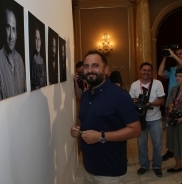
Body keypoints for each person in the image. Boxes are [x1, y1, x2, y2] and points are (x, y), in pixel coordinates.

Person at [70, 50, 141, 183]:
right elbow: (82, 119)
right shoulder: (85, 96)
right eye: (86, 66)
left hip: (110, 172)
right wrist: (76, 127)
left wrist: (101, 136)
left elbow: (135, 129)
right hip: (88, 168)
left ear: (106, 69)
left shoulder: (119, 95)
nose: (90, 70)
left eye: (95, 66)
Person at [130, 62, 165, 177]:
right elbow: (129, 101)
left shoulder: (157, 83)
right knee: (141, 144)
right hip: (140, 119)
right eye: (144, 70)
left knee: (158, 144)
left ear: (151, 72)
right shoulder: (134, 85)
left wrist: (149, 103)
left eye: (148, 70)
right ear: (140, 71)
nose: (146, 72)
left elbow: (162, 101)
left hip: (155, 118)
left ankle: (157, 166)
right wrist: (135, 102)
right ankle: (144, 165)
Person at [0, 3, 26, 102]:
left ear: (17, 34)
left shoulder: (20, 60)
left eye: (14, 29)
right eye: (8, 27)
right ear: (3, 29)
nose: (11, 36)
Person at [158, 47, 182, 161]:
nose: (178, 55)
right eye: (177, 54)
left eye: (180, 54)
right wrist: (165, 57)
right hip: (171, 101)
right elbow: (160, 73)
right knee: (170, 128)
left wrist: (173, 54)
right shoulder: (172, 69)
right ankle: (171, 150)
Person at [166, 67, 182, 173]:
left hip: (181, 120)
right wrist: (170, 107)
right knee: (175, 143)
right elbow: (171, 102)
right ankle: (178, 165)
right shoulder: (174, 89)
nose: (177, 78)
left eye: (180, 76)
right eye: (176, 76)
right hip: (174, 119)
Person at [31, 23, 46, 90]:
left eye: (39, 39)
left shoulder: (42, 60)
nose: (37, 43)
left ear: (41, 41)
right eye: (36, 39)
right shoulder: (32, 61)